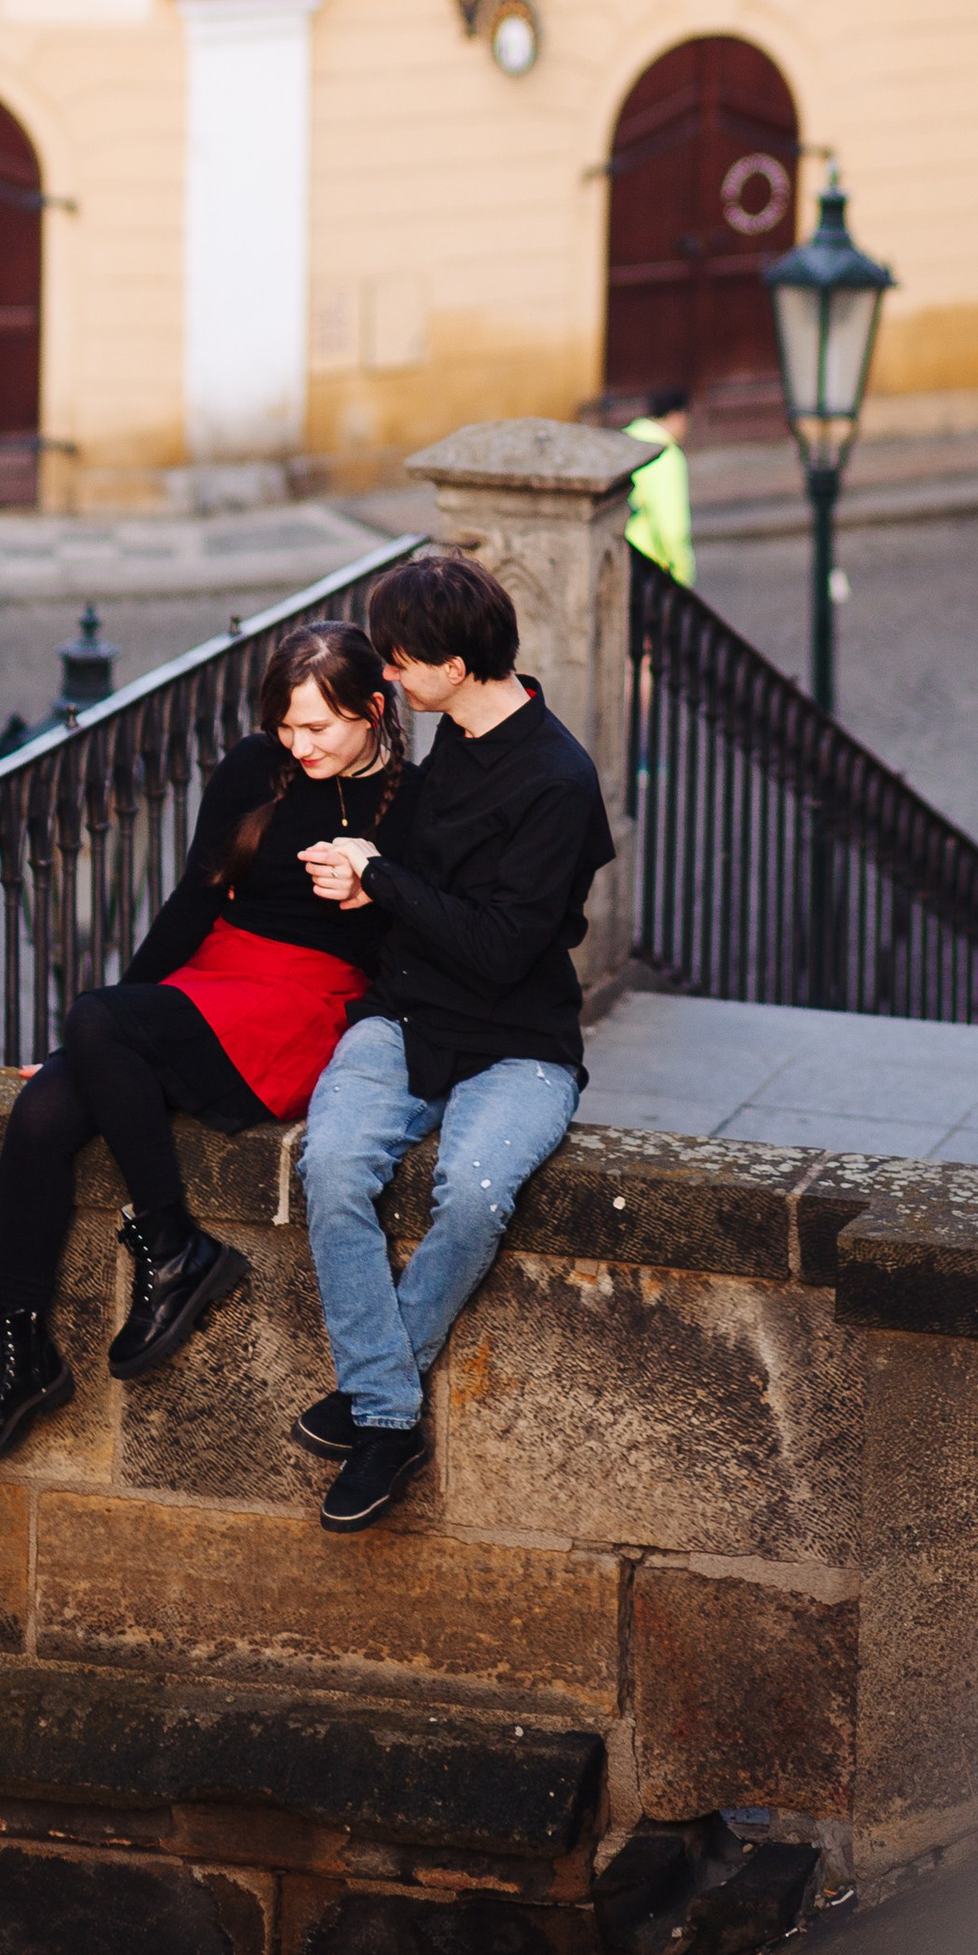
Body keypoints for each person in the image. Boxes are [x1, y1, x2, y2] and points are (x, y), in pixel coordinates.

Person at [0, 620, 415, 1477]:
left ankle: (175, 1248)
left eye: (319, 729)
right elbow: (195, 899)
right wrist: (101, 1028)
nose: (299, 745)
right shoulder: (251, 767)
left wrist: (374, 885)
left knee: (98, 1024)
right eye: (287, 727)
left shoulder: (410, 801)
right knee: (46, 1107)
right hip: (215, 973)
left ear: (374, 711)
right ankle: (22, 1353)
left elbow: (409, 950)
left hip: (307, 1001)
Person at [291, 548, 617, 1533]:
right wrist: (359, 867)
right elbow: (423, 892)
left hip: (521, 1040)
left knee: (473, 1193)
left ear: (455, 658)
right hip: (404, 1017)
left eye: (399, 661)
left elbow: (504, 946)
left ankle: (374, 1406)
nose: (387, 676)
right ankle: (390, 1414)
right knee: (333, 1163)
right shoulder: (447, 744)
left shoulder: (558, 779)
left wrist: (381, 879)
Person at [625, 384, 695, 586]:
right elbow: (671, 526)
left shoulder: (626, 439)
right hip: (649, 565)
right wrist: (682, 573)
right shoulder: (664, 456)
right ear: (677, 417)